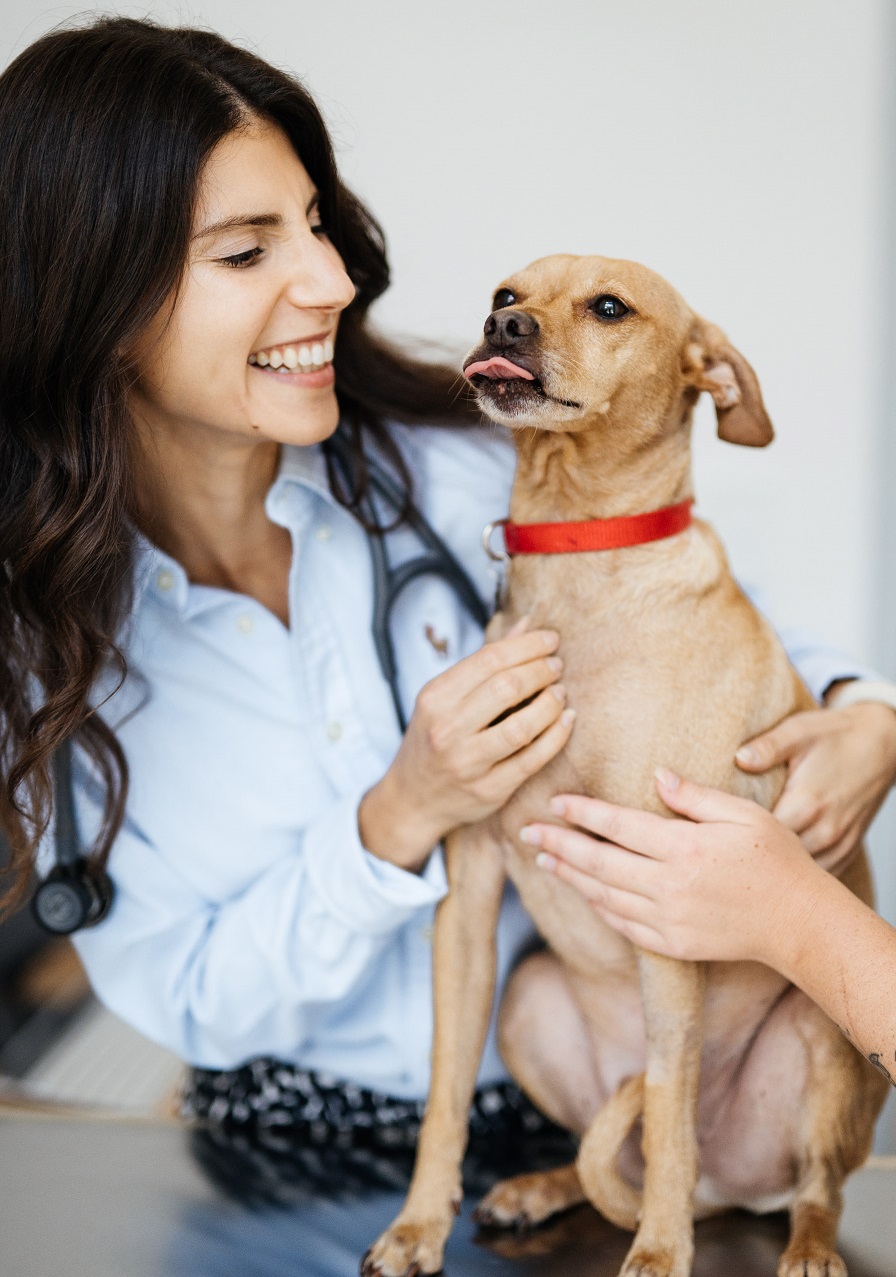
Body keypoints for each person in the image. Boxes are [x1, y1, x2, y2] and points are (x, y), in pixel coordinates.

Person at [0, 16, 894, 1146]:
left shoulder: (478, 461)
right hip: (290, 1137)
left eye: (316, 226)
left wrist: (865, 712)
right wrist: (401, 810)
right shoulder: (50, 632)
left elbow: (715, 623)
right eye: (245, 250)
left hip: (582, 1092)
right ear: (96, 309)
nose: (328, 281)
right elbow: (185, 997)